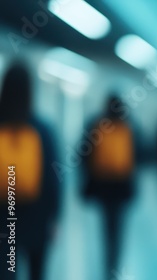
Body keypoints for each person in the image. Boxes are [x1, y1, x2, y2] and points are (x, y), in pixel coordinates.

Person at [0, 62, 60, 280]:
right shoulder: (43, 130)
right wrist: (55, 217)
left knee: (7, 271)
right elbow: (54, 179)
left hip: (4, 219)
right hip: (38, 217)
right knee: (37, 273)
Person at [80, 95, 138, 277]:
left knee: (106, 224)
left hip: (102, 186)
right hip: (122, 187)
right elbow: (143, 152)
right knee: (118, 226)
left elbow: (83, 153)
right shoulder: (129, 124)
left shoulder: (96, 123)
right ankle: (114, 264)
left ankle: (107, 262)